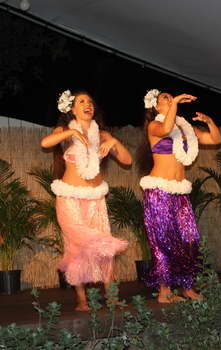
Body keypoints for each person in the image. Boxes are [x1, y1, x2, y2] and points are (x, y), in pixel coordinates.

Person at [41, 89, 132, 311]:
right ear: (72, 109)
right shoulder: (64, 130)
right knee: (75, 248)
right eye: (82, 101)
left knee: (104, 248)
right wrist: (69, 134)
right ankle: (82, 300)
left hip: (95, 199)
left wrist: (114, 143)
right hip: (70, 197)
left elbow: (127, 160)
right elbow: (46, 143)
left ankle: (111, 297)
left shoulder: (101, 135)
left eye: (90, 101)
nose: (87, 104)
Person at [140, 89, 221, 303]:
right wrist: (175, 102)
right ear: (156, 107)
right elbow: (167, 127)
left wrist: (209, 121)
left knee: (189, 240)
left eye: (170, 97)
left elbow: (214, 139)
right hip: (160, 192)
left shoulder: (185, 128)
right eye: (164, 98)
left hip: (180, 194)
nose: (169, 99)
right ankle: (164, 292)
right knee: (164, 241)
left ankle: (187, 287)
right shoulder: (155, 126)